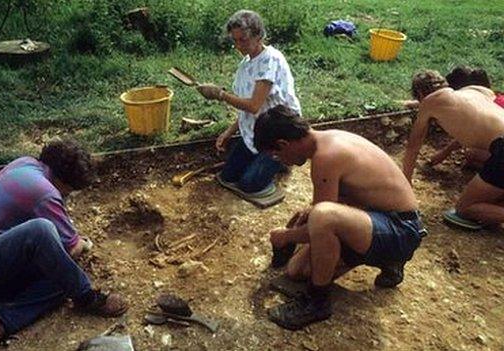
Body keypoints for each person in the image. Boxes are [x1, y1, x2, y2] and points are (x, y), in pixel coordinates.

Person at [254, 105, 425, 330]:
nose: (281, 161)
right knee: (297, 271)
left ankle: (317, 302)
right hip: (379, 220)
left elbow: (324, 218)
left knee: (322, 216)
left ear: (283, 144)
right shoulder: (326, 140)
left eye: (276, 154)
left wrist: (287, 236)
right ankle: (387, 260)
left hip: (400, 229)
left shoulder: (327, 156)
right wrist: (307, 220)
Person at [0, 139, 127, 351]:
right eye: (68, 192)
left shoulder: (25, 163)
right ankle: (87, 298)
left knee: (62, 275)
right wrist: (82, 244)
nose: (66, 197)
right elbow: (73, 248)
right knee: (44, 233)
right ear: (62, 182)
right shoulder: (45, 192)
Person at [196, 10, 302, 196]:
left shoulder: (270, 61)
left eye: (243, 40)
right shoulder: (246, 63)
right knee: (228, 176)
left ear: (259, 36)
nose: (238, 45)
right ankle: (266, 161)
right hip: (257, 129)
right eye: (235, 40)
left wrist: (220, 94)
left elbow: (253, 105)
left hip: (278, 132)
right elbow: (252, 109)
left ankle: (284, 159)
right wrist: (229, 132)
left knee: (249, 185)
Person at [403, 70, 504, 227]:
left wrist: (405, 182)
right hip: (499, 146)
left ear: (422, 94)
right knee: (495, 200)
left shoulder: (430, 102)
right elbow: (479, 119)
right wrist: (445, 151)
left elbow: (413, 147)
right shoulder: (475, 91)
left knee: (465, 209)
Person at [428, 66, 504, 168]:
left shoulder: (492, 107)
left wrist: (445, 152)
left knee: (472, 153)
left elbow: (479, 133)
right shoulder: (495, 99)